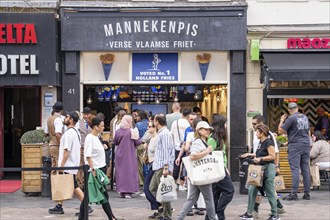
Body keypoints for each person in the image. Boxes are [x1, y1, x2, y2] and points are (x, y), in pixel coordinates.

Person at [177, 121, 217, 220]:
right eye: (205, 129)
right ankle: (212, 218)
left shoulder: (201, 141)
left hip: (197, 174)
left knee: (192, 199)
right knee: (209, 199)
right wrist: (207, 151)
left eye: (208, 129)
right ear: (199, 130)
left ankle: (179, 218)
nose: (207, 131)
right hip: (202, 175)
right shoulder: (199, 141)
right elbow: (193, 155)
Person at [239, 124, 280, 220]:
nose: (256, 133)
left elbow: (272, 156)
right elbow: (259, 153)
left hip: (268, 169)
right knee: (252, 190)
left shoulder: (268, 142)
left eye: (257, 132)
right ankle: (249, 213)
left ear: (262, 133)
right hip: (259, 170)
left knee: (269, 192)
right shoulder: (261, 143)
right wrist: (249, 154)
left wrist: (260, 159)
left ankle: (275, 215)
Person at [78, 117, 116, 220]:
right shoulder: (90, 138)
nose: (103, 127)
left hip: (99, 169)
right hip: (95, 170)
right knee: (103, 196)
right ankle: (111, 217)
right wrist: (93, 170)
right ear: (96, 127)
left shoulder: (97, 137)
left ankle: (82, 218)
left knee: (90, 197)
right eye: (102, 126)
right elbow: (88, 155)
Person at [48, 111, 84, 214]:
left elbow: (66, 150)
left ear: (71, 120)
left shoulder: (69, 134)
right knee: (65, 184)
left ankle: (86, 205)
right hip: (72, 164)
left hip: (68, 165)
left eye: (67, 117)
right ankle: (59, 205)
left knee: (74, 186)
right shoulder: (75, 132)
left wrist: (62, 165)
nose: (65, 118)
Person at [250, 115, 285, 218]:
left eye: (255, 124)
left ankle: (258, 211)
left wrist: (276, 166)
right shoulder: (256, 134)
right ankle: (278, 208)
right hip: (259, 166)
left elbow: (275, 153)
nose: (253, 126)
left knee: (266, 189)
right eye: (252, 124)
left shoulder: (268, 136)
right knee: (262, 188)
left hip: (266, 166)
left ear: (261, 124)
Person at [278, 102, 311, 201]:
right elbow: (308, 132)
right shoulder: (305, 117)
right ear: (297, 108)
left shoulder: (291, 118)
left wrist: (281, 120)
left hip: (295, 146)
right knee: (305, 169)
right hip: (306, 144)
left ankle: (294, 194)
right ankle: (307, 194)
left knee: (295, 169)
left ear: (289, 110)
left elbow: (280, 130)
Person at [206, 115, 234, 220]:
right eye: (225, 123)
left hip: (220, 169)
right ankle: (218, 211)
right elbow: (209, 154)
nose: (227, 126)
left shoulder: (219, 138)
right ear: (221, 125)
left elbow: (222, 155)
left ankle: (211, 216)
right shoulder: (213, 139)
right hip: (217, 170)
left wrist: (226, 167)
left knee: (215, 195)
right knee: (229, 191)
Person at [149, 114, 175, 220]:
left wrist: (165, 168)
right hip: (158, 165)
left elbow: (165, 152)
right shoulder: (163, 133)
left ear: (157, 122)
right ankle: (165, 210)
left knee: (163, 191)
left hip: (161, 166)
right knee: (153, 188)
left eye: (154, 121)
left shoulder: (164, 134)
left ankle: (167, 214)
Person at [113, 115, 143, 198]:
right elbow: (138, 142)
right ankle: (129, 191)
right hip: (130, 155)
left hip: (120, 154)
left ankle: (122, 190)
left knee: (121, 173)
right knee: (129, 172)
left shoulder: (118, 131)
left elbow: (115, 142)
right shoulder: (131, 131)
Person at [144, 120, 162, 219]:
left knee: (148, 189)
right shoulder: (151, 138)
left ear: (155, 127)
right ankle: (159, 209)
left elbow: (159, 153)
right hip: (151, 165)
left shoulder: (157, 138)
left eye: (150, 126)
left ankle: (161, 207)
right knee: (151, 189)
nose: (148, 128)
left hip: (156, 166)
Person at [171, 108, 191, 189]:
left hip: (176, 146)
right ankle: (182, 184)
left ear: (182, 114)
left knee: (176, 165)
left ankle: (174, 183)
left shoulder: (175, 122)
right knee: (185, 166)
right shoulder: (188, 124)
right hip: (185, 146)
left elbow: (171, 134)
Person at [77, 107, 92, 190]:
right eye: (85, 114)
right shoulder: (79, 123)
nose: (86, 116)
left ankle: (83, 182)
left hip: (87, 148)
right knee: (80, 165)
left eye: (87, 114)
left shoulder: (90, 123)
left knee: (85, 165)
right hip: (81, 147)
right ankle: (80, 183)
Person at [46, 102, 64, 175]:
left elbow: (46, 132)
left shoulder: (49, 118)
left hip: (51, 144)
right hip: (56, 145)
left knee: (54, 166)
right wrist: (61, 144)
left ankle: (53, 185)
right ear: (61, 110)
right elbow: (58, 134)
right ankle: (57, 185)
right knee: (58, 166)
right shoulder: (58, 119)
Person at [136, 110, 149, 185]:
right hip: (149, 145)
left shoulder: (138, 124)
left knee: (141, 165)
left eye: (137, 116)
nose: (136, 117)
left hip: (140, 145)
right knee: (147, 163)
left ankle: (142, 181)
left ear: (140, 116)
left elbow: (136, 136)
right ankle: (148, 180)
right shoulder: (149, 123)